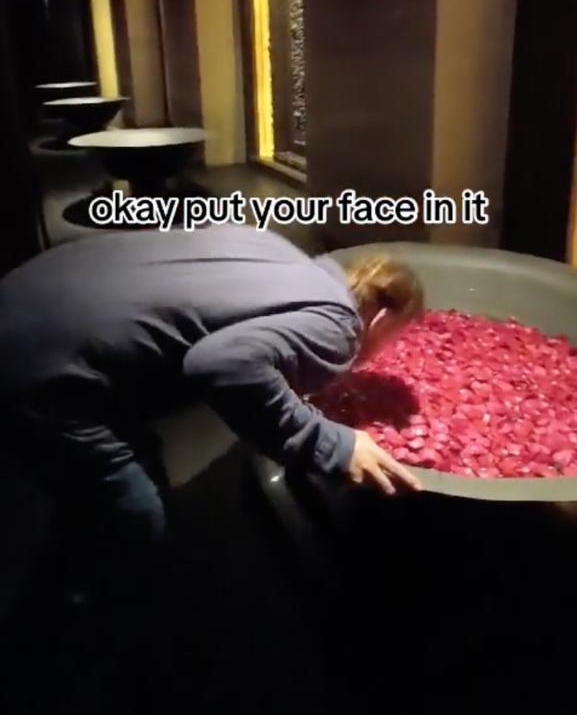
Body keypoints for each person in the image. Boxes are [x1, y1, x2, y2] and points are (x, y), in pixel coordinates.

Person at [0, 224, 423, 598]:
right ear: (382, 317)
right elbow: (221, 365)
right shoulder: (340, 326)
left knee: (119, 463)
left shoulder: (280, 251)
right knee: (135, 510)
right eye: (395, 336)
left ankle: (77, 530)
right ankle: (89, 613)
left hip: (29, 293)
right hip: (37, 363)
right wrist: (335, 443)